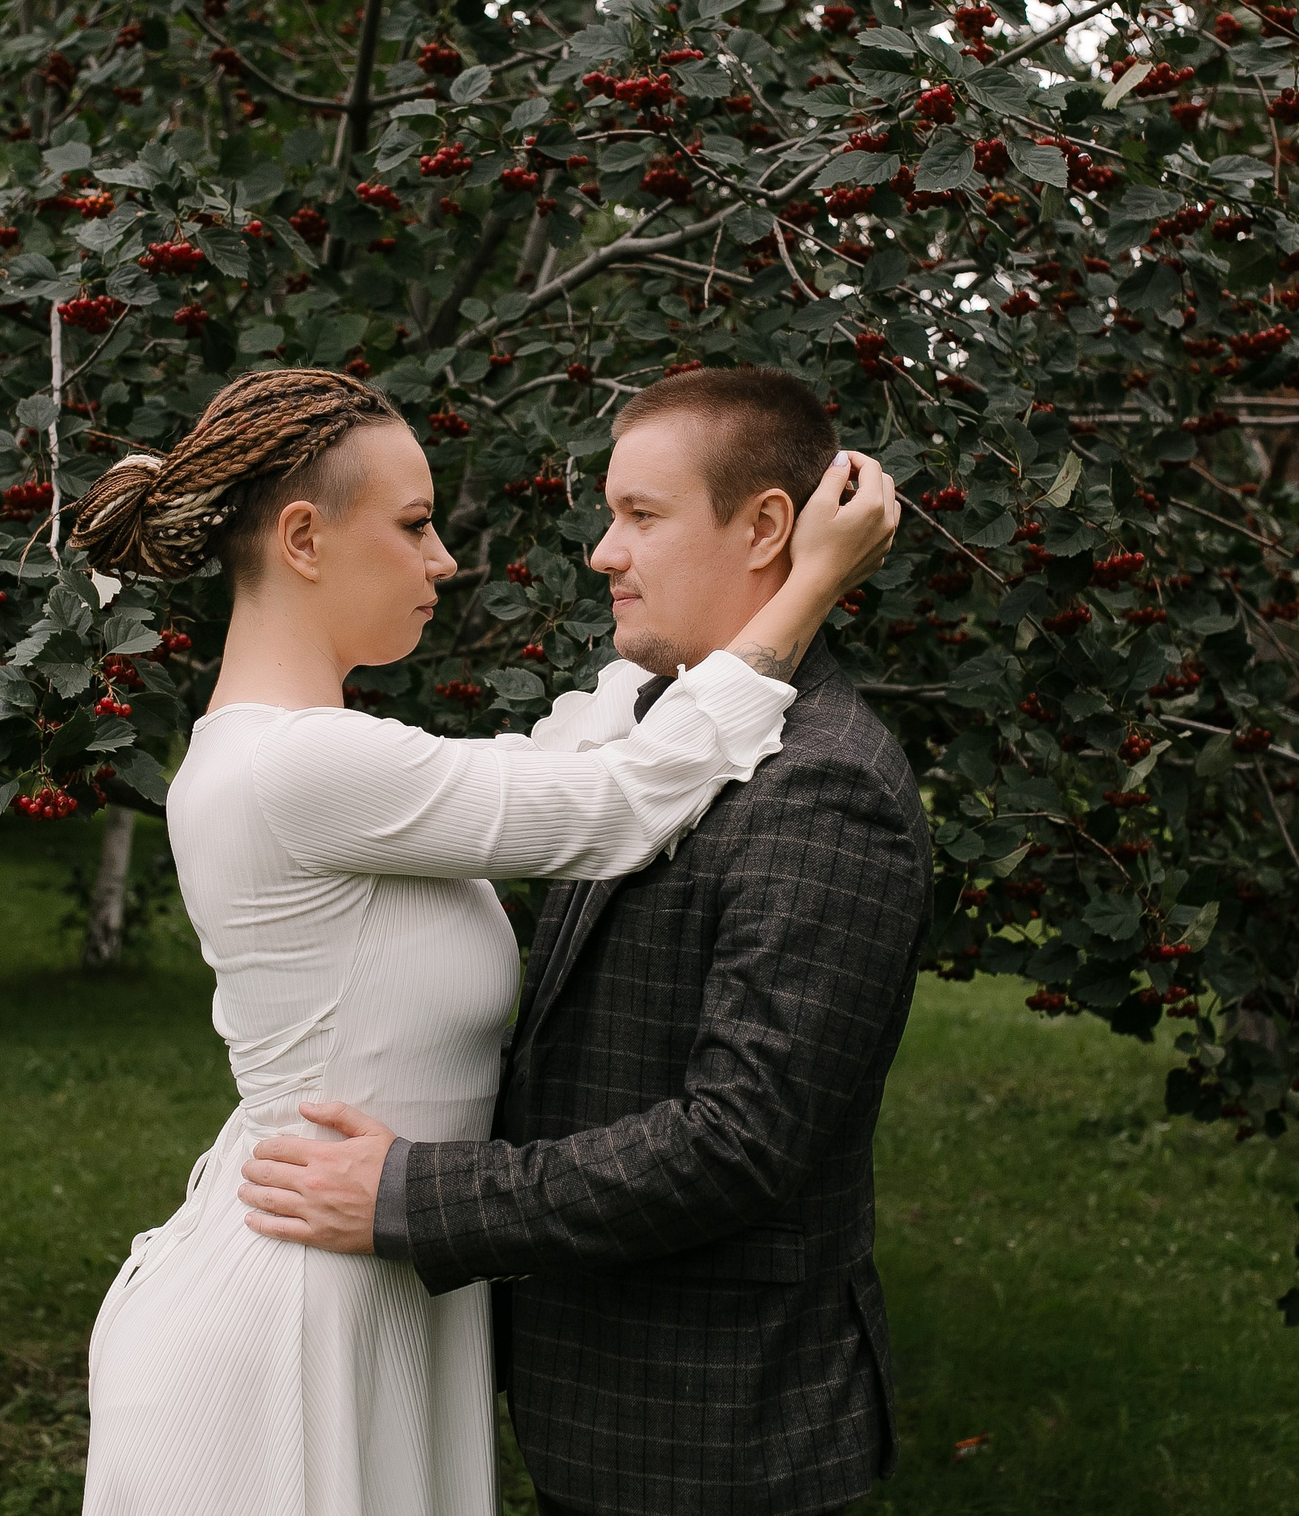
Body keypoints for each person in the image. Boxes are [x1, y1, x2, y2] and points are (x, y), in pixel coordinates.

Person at [67, 366, 898, 1516]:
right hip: (292, 1313)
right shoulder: (294, 766)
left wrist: (689, 624)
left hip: (378, 1283)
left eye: (637, 517)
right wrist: (806, 583)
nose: (444, 558)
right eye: (414, 525)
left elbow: (576, 751)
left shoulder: (332, 752)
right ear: (304, 538)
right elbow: (615, 800)